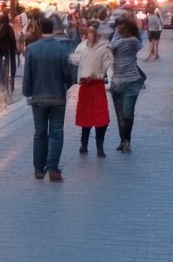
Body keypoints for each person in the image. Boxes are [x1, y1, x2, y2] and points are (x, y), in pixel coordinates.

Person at [22, 17, 75, 181]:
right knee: (56, 132)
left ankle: (39, 169)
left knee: (39, 133)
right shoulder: (61, 48)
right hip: (57, 97)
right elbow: (68, 73)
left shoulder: (32, 48)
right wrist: (67, 85)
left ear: (39, 28)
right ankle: (53, 168)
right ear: (53, 29)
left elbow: (27, 74)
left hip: (38, 97)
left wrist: (27, 93)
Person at [71, 22, 112, 156]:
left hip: (98, 85)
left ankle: (100, 146)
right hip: (86, 86)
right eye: (89, 31)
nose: (90, 34)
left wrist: (101, 75)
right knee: (85, 117)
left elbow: (109, 64)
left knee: (101, 117)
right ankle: (84, 144)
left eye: (93, 32)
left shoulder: (104, 47)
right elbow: (74, 59)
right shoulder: (82, 46)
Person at [108, 17, 145, 154]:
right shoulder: (134, 41)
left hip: (126, 82)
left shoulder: (130, 41)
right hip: (123, 82)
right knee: (125, 114)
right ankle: (125, 140)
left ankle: (125, 140)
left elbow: (112, 46)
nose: (118, 28)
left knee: (124, 114)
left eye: (120, 26)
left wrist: (117, 32)